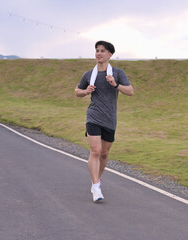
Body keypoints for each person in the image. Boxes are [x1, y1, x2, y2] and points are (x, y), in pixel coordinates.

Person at [75, 40, 134, 202]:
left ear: (110, 55)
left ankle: (96, 180)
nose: (98, 53)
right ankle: (96, 187)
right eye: (97, 50)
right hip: (93, 116)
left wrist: (115, 85)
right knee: (95, 151)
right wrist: (86, 91)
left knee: (104, 153)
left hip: (109, 119)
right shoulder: (88, 75)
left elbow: (130, 91)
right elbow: (77, 91)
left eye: (102, 51)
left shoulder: (117, 73)